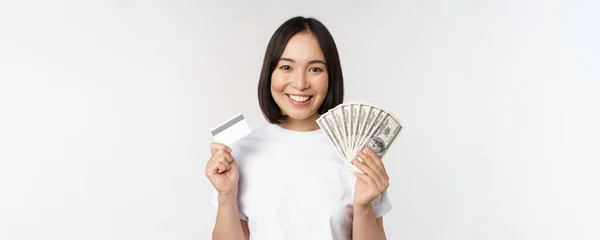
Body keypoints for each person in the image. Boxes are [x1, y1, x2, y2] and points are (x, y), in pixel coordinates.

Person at [205, 16, 392, 240]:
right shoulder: (240, 152)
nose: (301, 83)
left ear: (331, 77)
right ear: (269, 74)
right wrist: (226, 195)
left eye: (315, 69)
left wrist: (363, 207)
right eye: (286, 67)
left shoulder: (358, 155)